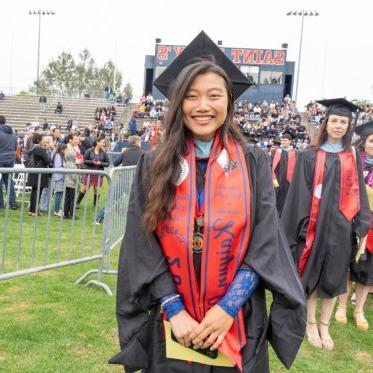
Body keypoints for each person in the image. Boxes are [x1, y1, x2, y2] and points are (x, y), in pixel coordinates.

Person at [110, 32, 306, 373]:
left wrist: (227, 308)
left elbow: (266, 242)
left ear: (229, 102)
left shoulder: (252, 162)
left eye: (214, 96)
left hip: (237, 320)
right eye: (191, 97)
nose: (202, 106)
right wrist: (174, 309)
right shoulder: (155, 163)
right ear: (178, 104)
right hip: (173, 325)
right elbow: (144, 244)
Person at [281, 98, 371, 351]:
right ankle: (310, 323)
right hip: (314, 227)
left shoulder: (351, 156)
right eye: (334, 121)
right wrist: (297, 228)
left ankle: (324, 324)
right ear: (326, 123)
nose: (339, 126)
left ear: (349, 126)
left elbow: (360, 193)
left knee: (333, 278)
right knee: (311, 276)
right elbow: (298, 194)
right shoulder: (310, 155)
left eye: (344, 122)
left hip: (341, 228)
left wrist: (362, 221)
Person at [335, 120, 373, 331]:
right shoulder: (351, 161)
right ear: (364, 142)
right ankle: (341, 306)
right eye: (371, 141)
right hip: (351, 219)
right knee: (347, 265)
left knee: (367, 270)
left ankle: (359, 309)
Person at [76, 138, 109, 208]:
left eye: (104, 143)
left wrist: (100, 163)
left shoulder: (104, 152)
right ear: (97, 142)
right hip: (89, 172)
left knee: (96, 189)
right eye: (102, 142)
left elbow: (108, 163)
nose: (104, 144)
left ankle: (95, 205)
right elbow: (84, 160)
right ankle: (77, 203)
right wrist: (92, 162)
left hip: (98, 173)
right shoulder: (89, 151)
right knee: (84, 188)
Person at [271, 130, 297, 216]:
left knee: (287, 199)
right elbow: (271, 165)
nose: (283, 142)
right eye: (282, 140)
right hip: (277, 180)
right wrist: (273, 178)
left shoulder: (295, 153)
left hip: (289, 181)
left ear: (290, 141)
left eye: (285, 140)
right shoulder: (276, 152)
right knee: (276, 198)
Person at [27, 134, 52, 215]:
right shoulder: (40, 149)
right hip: (39, 174)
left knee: (34, 191)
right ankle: (35, 211)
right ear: (39, 140)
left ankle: (31, 210)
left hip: (33, 172)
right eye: (43, 139)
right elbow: (48, 161)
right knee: (38, 192)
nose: (44, 140)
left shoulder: (33, 148)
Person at [0, 115, 18, 209]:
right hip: (11, 158)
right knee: (9, 180)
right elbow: (16, 147)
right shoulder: (12, 133)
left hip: (1, 158)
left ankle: (1, 204)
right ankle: (13, 203)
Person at [52, 143, 67, 217]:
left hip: (61, 177)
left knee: (60, 194)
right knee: (59, 194)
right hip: (59, 177)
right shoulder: (58, 156)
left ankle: (58, 209)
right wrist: (67, 168)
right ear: (62, 149)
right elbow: (58, 167)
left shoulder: (61, 156)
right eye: (66, 149)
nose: (67, 151)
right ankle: (56, 210)